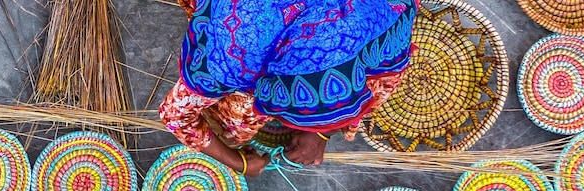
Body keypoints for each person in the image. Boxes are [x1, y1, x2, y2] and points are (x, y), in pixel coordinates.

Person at [161, 0, 415, 176]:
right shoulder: (228, 54)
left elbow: (379, 79)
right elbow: (175, 114)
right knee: (239, 116)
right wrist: (237, 162)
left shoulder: (388, 11)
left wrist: (324, 131)